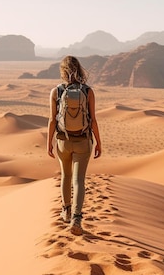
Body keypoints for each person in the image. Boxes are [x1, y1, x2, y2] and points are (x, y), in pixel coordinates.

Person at [47, 55, 102, 236]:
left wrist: (49, 143)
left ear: (62, 71)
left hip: (63, 141)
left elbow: (52, 120)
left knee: (66, 176)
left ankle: (66, 210)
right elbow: (93, 120)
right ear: (79, 69)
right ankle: (77, 219)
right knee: (79, 180)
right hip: (83, 141)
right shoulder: (88, 91)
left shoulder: (57, 91)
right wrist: (99, 143)